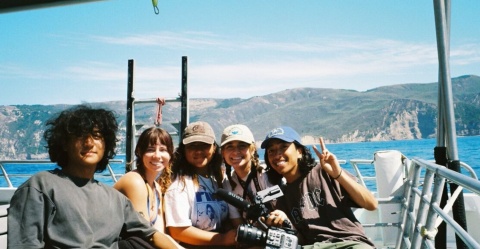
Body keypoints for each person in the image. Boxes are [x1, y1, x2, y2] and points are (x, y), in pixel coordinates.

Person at [7, 105, 182, 249]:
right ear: (65, 144)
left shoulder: (116, 199)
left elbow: (151, 235)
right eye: (80, 136)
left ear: (106, 145)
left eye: (97, 136)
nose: (89, 143)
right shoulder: (41, 186)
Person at [261, 126, 378, 249]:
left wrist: (338, 174)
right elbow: (298, 239)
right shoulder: (279, 197)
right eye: (271, 151)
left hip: (349, 243)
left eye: (283, 147)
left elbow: (372, 204)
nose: (277, 155)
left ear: (299, 151)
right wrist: (286, 222)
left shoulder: (323, 172)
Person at [163, 121, 241, 248]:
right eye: (192, 146)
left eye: (204, 145)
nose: (198, 151)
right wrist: (222, 239)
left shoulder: (219, 179)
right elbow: (178, 231)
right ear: (183, 150)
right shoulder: (179, 184)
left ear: (214, 148)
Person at [114, 127, 178, 247]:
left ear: (170, 154)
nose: (157, 155)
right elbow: (145, 234)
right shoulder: (134, 181)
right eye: (150, 149)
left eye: (163, 150)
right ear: (139, 151)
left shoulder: (157, 188)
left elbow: (160, 233)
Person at [221, 124, 277, 223]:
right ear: (223, 153)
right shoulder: (228, 183)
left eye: (242, 146)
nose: (235, 151)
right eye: (229, 147)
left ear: (252, 149)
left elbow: (280, 208)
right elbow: (236, 220)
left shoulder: (266, 175)